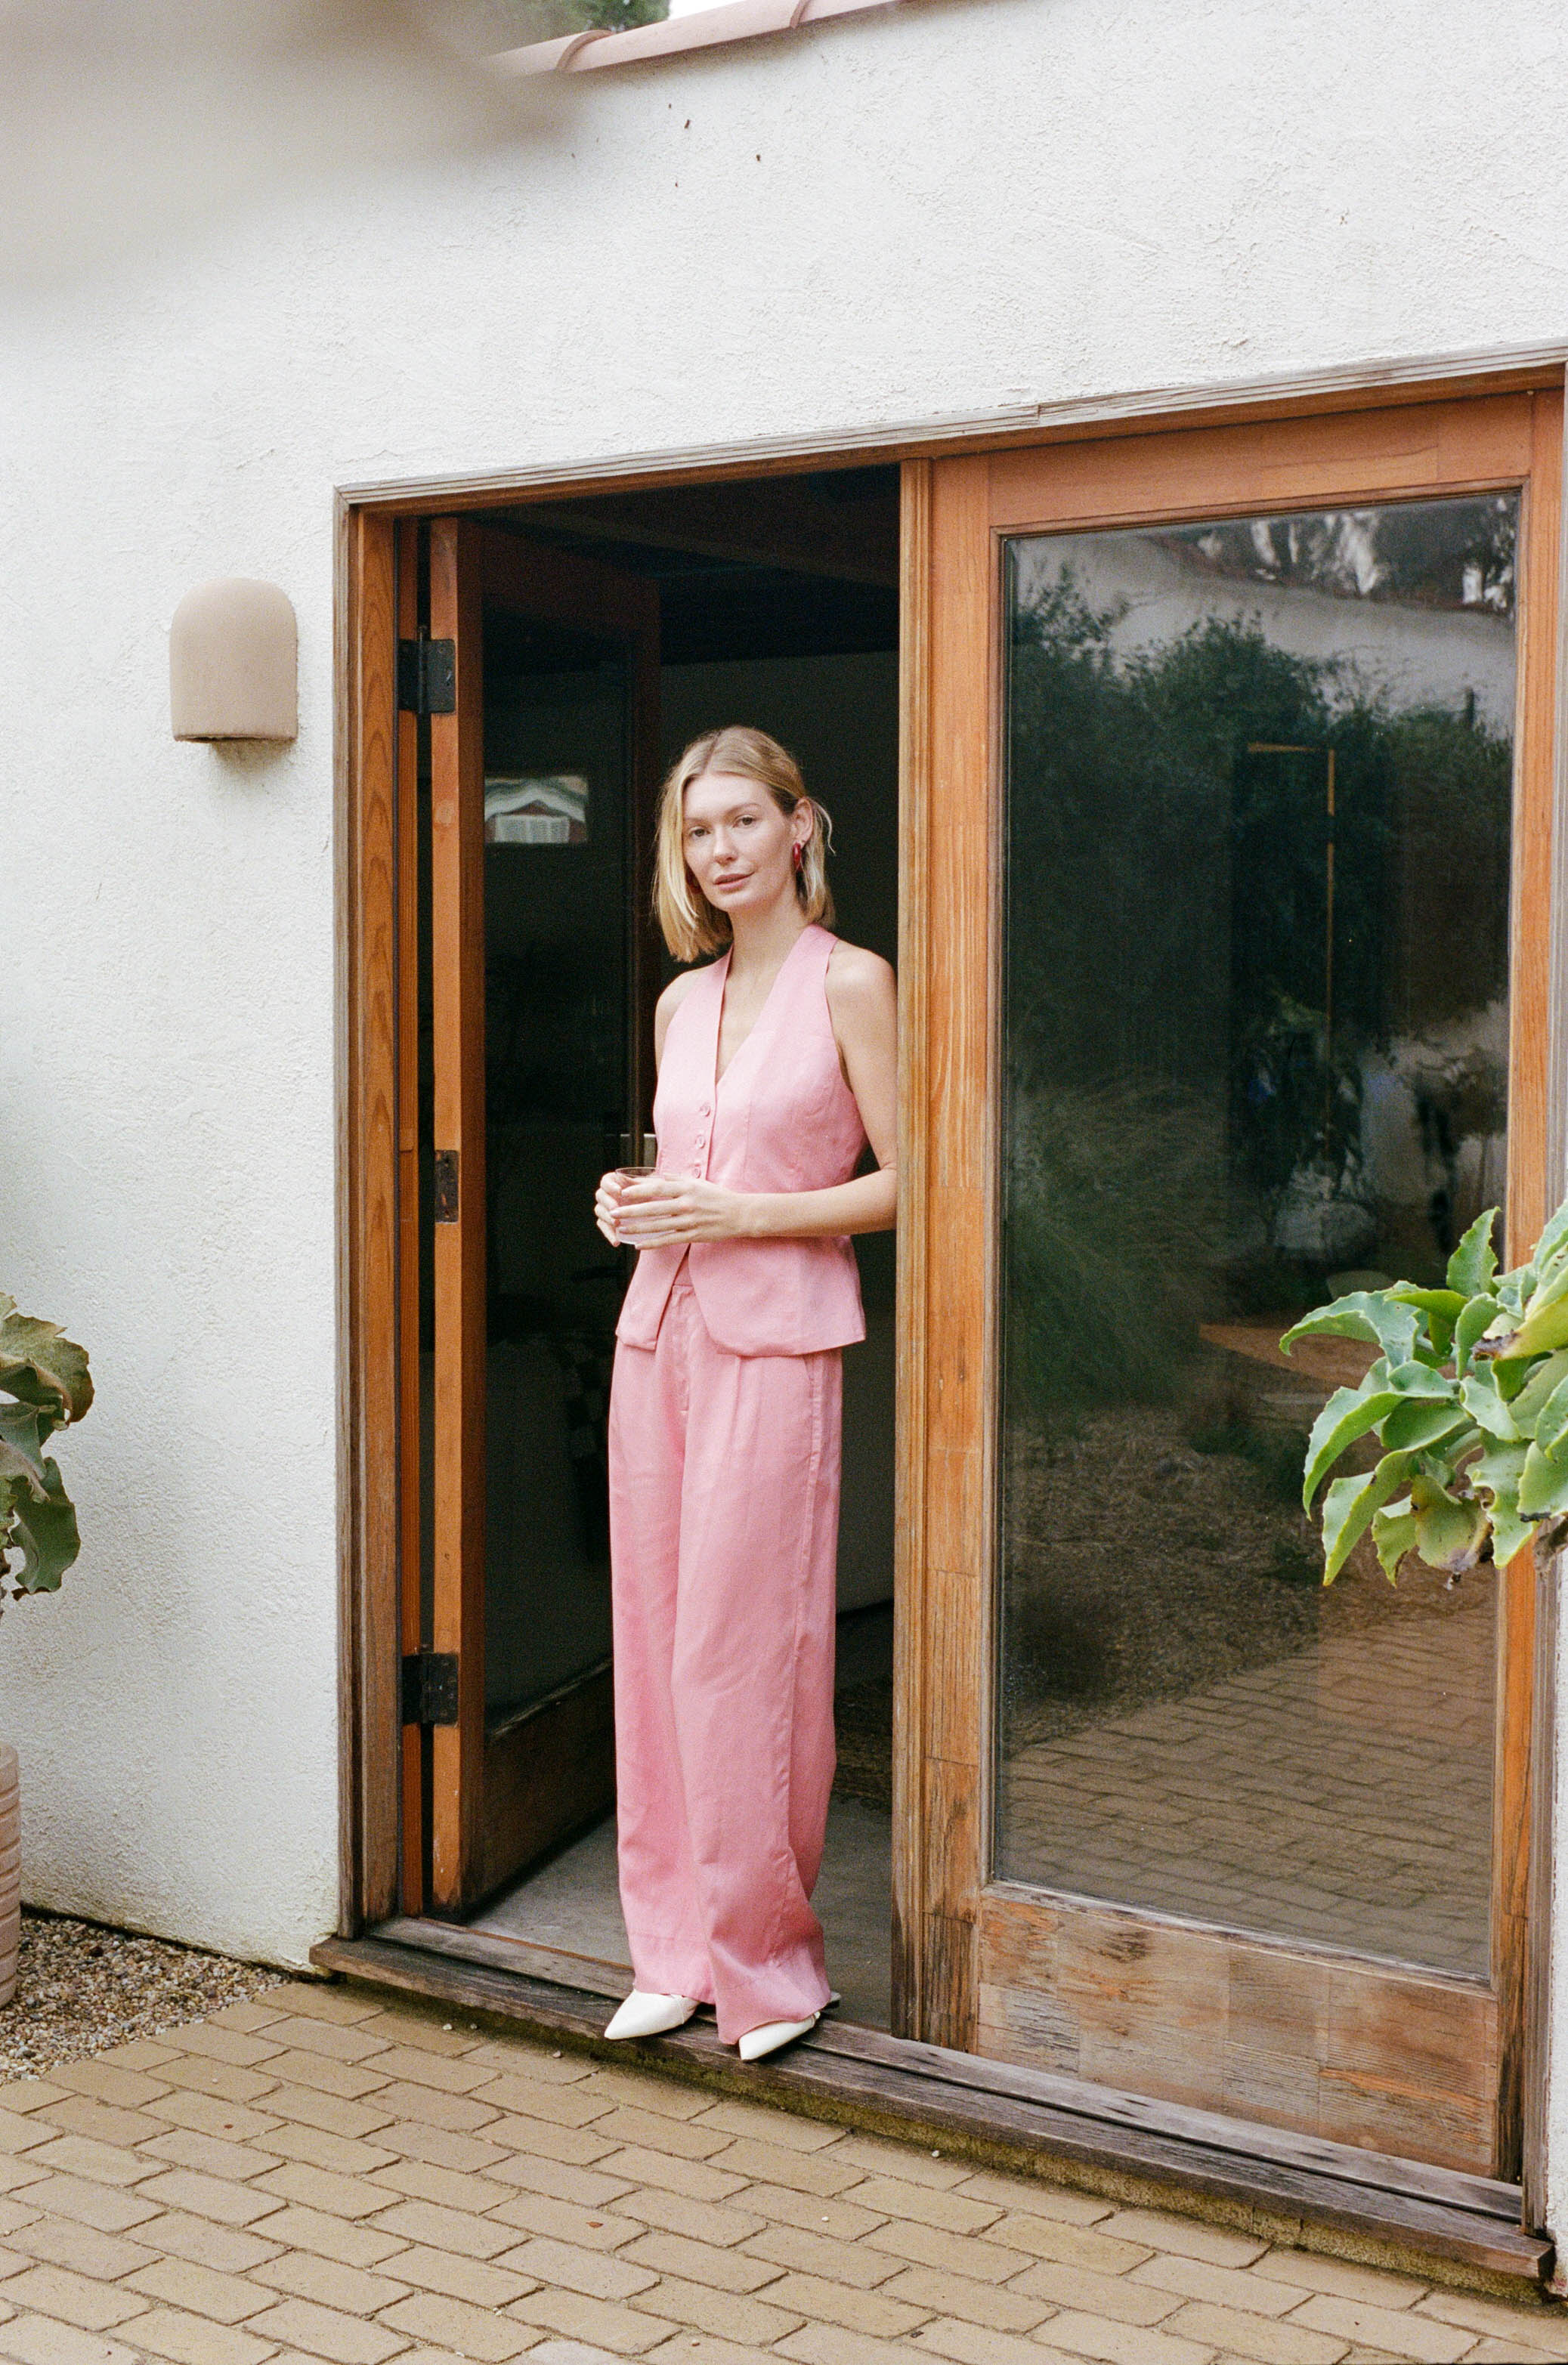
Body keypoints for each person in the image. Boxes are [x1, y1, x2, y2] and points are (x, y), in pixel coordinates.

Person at [592, 725, 897, 2062]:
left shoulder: (856, 985)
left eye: (739, 823)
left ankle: (768, 1964)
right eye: (698, 832)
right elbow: (683, 1182)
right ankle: (672, 1950)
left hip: (777, 1344)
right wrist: (636, 1208)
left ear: (800, 825)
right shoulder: (677, 1002)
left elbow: (912, 1181)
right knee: (657, 1646)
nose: (719, 851)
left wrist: (738, 1209)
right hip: (657, 1334)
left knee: (748, 1653)